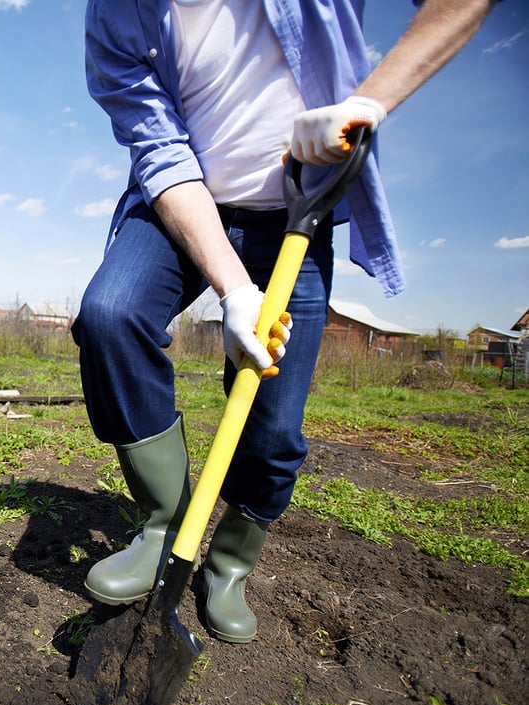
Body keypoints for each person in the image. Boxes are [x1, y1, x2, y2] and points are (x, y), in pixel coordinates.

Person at [73, 0, 496, 643]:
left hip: (297, 217)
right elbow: (158, 150)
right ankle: (164, 527)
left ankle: (230, 565)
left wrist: (370, 103)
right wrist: (235, 290)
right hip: (183, 209)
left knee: (274, 424)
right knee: (111, 315)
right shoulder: (116, 14)